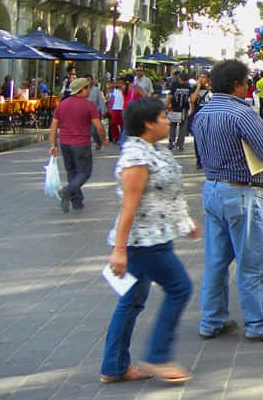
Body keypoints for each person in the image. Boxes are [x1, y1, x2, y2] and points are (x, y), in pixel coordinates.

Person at [190, 59, 263, 342]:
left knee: (216, 260)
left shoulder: (202, 113)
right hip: (241, 192)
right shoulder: (242, 113)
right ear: (237, 84)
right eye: (247, 82)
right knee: (253, 260)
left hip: (212, 188)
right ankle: (259, 322)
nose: (248, 87)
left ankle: (212, 319)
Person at [101, 97, 197, 385]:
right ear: (148, 123)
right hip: (143, 241)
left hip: (157, 235)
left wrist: (185, 221)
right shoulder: (135, 157)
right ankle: (157, 355)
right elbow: (129, 206)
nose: (169, 121)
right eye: (164, 117)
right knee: (180, 288)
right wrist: (119, 251)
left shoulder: (154, 150)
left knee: (131, 301)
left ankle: (114, 366)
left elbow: (166, 194)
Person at [49, 77, 107, 213]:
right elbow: (98, 126)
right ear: (83, 89)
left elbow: (53, 126)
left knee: (71, 171)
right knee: (85, 172)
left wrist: (53, 144)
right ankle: (67, 191)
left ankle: (77, 201)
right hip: (81, 143)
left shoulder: (62, 105)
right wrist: (104, 139)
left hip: (64, 143)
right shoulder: (88, 105)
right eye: (88, 87)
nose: (89, 90)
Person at [166, 74, 192, 151]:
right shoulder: (188, 86)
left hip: (175, 108)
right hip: (184, 109)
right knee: (183, 127)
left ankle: (171, 142)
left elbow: (170, 96)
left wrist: (166, 106)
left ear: (180, 78)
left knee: (173, 126)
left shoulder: (174, 85)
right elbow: (190, 98)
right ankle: (180, 144)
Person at [87, 75, 107, 150]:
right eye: (87, 80)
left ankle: (98, 142)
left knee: (93, 130)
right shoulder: (83, 89)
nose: (89, 82)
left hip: (94, 113)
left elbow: (101, 101)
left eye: (90, 80)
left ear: (93, 81)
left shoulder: (96, 90)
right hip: (84, 113)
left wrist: (103, 111)